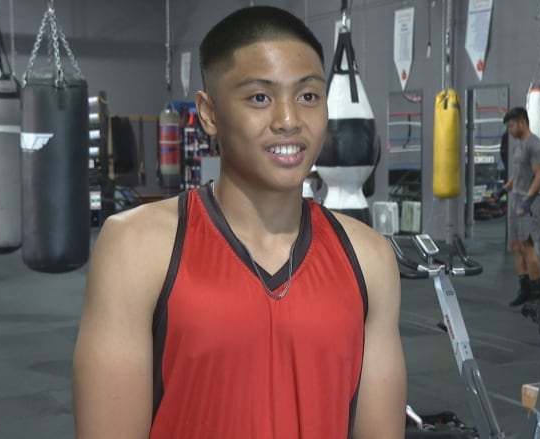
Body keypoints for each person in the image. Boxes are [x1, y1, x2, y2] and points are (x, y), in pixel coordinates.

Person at [72, 6, 407, 439]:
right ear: (209, 113)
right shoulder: (138, 247)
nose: (289, 121)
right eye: (259, 98)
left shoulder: (370, 258)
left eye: (308, 96)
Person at [491, 107, 540, 307]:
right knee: (515, 245)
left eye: (512, 125)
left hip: (531, 202)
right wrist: (502, 191)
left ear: (522, 123)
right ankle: (524, 287)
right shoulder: (517, 147)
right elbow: (517, 177)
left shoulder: (535, 145)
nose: (510, 129)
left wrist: (527, 200)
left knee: (528, 245)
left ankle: (537, 289)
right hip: (516, 199)